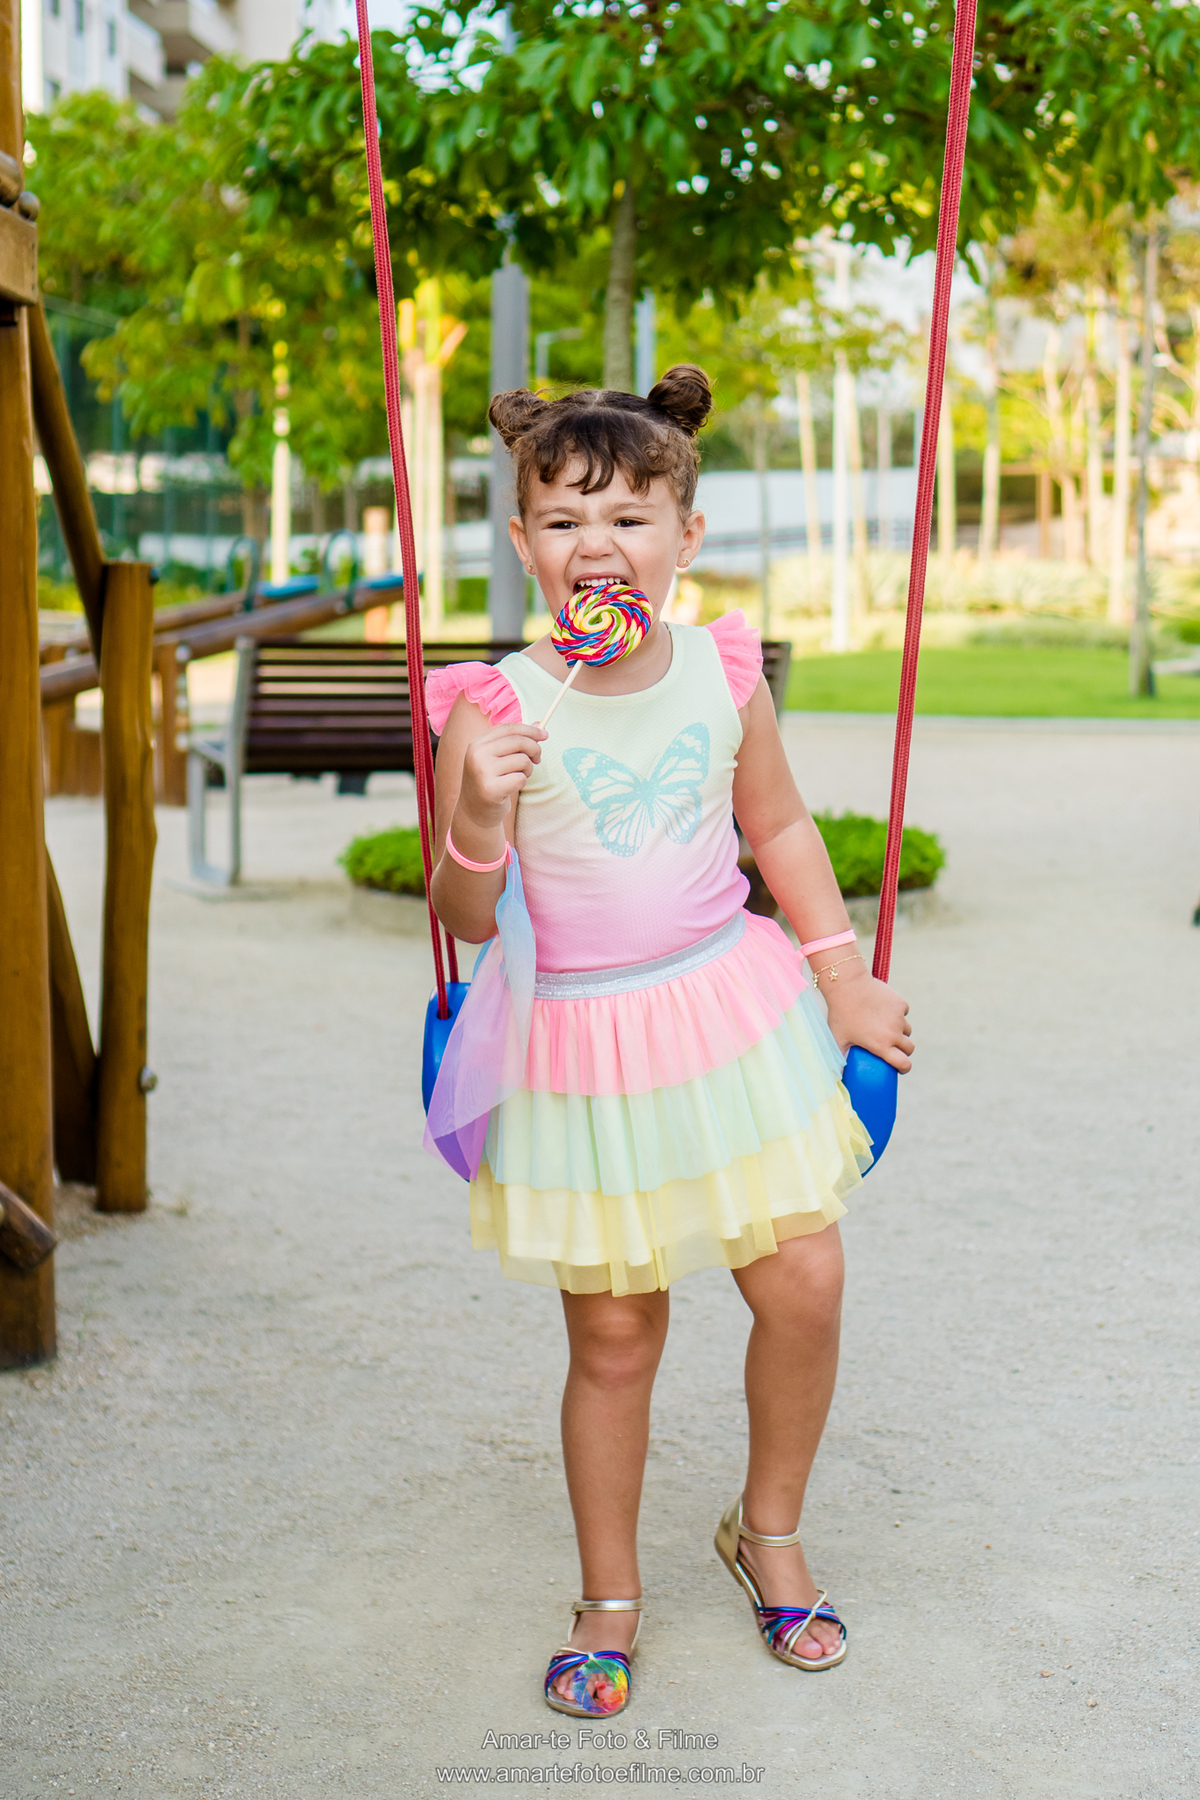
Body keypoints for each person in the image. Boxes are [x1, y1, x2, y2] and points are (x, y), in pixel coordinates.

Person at [425, 366, 914, 1718]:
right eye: (564, 520)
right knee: (616, 1335)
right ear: (523, 544)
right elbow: (462, 917)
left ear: (685, 537)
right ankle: (609, 1594)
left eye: (628, 517)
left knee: (804, 1280)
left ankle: (768, 1530)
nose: (598, 544)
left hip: (727, 1015)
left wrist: (843, 979)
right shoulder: (495, 706)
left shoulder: (719, 671)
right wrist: (479, 818)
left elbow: (779, 827)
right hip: (581, 1050)